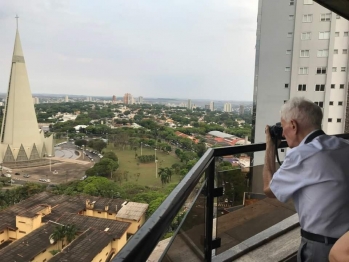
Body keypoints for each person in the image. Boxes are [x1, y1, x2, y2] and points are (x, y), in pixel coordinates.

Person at [263, 97, 349, 262]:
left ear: (293, 126)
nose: (281, 133)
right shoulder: (343, 144)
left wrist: (270, 146)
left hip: (321, 247)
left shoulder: (302, 154)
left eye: (283, 126)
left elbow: (269, 189)